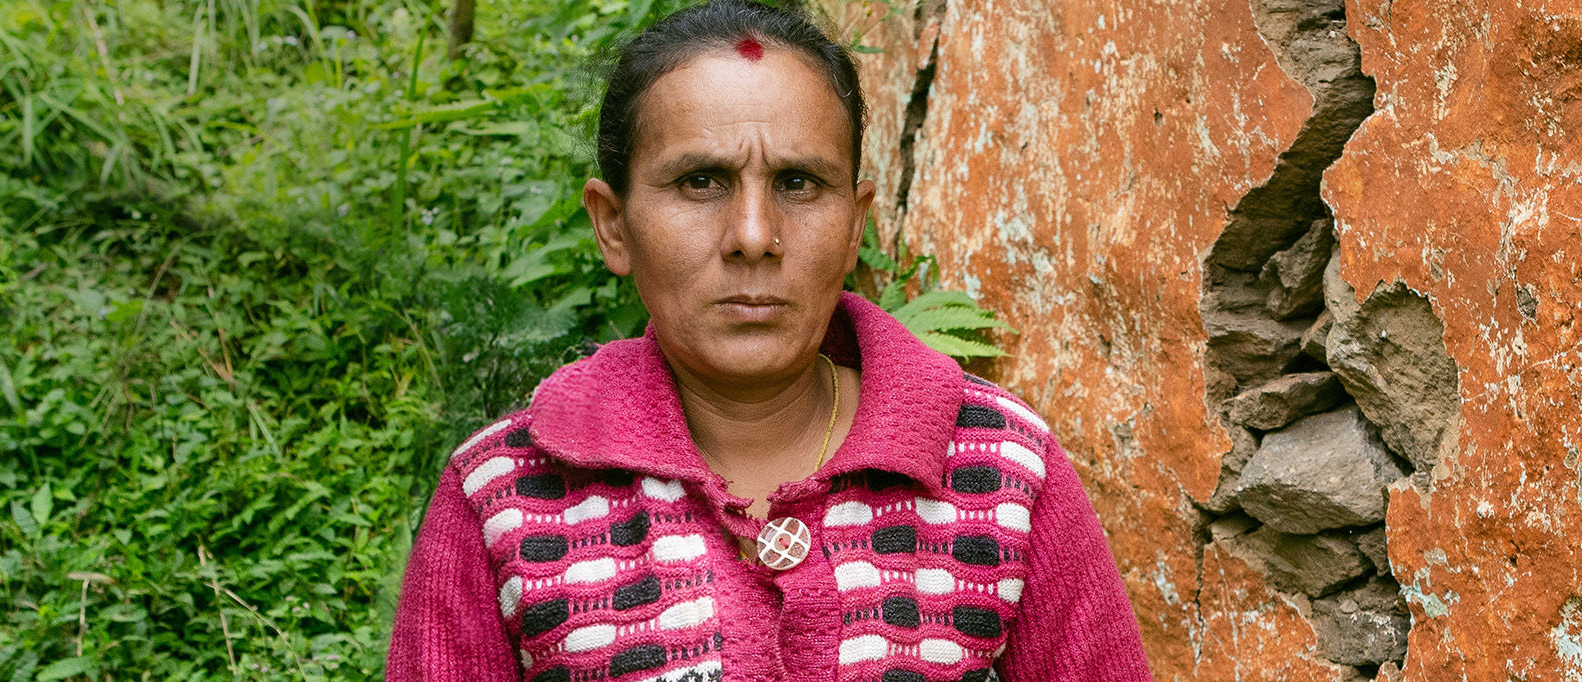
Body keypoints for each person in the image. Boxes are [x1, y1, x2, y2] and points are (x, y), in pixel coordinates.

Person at [386, 1, 1150, 680]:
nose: (754, 237)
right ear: (612, 225)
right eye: (700, 182)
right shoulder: (504, 498)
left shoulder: (1003, 473)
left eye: (797, 184)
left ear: (855, 225)